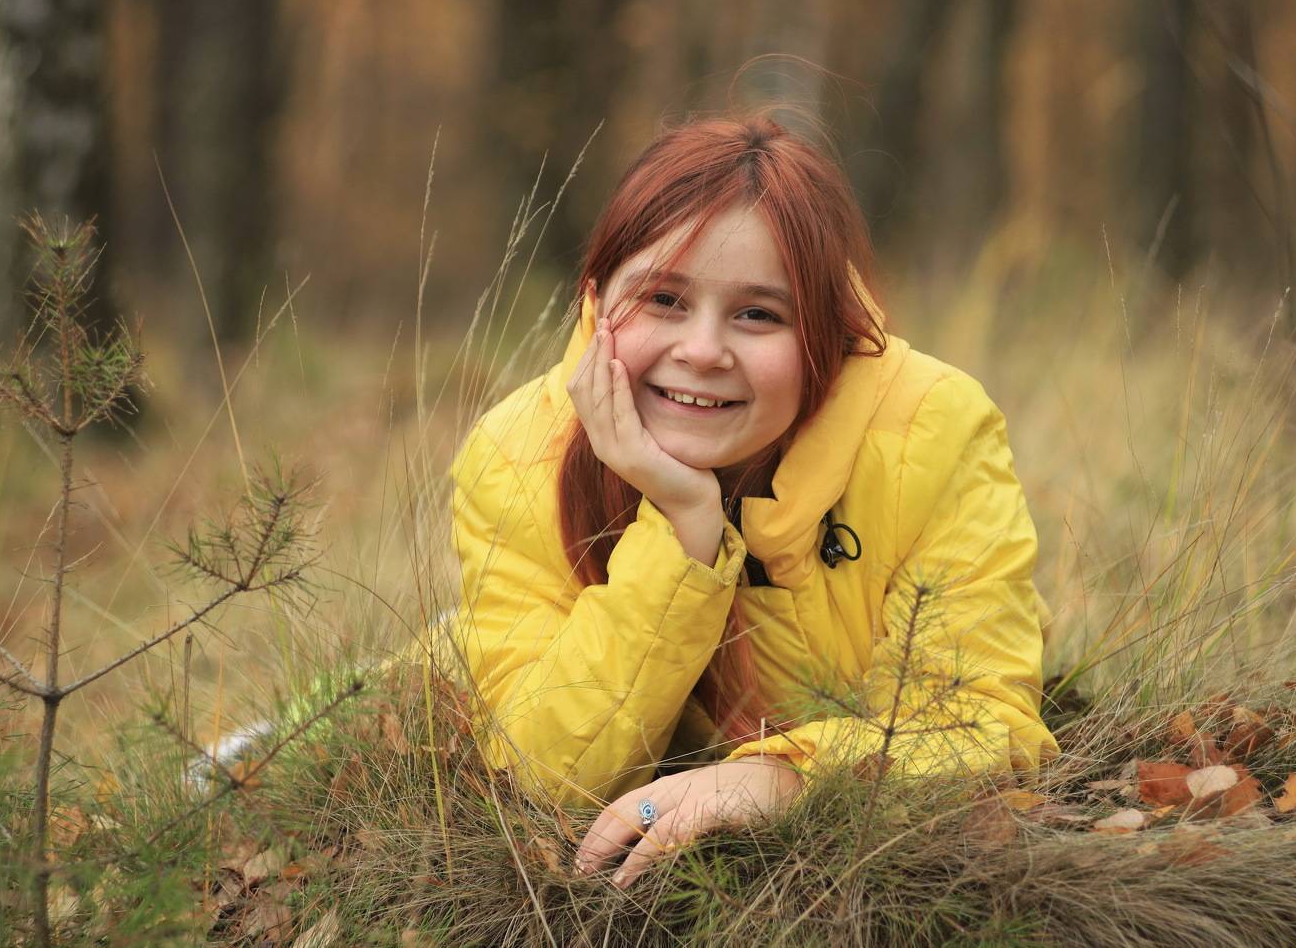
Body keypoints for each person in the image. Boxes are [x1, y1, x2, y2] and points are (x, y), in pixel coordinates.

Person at [432, 111, 1057, 889]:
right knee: (364, 698)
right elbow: (546, 776)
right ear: (595, 303)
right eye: (663, 298)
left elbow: (987, 730)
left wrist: (781, 776)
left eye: (758, 313)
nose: (702, 351)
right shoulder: (518, 451)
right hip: (471, 658)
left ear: (826, 333)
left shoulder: (933, 430)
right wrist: (683, 524)